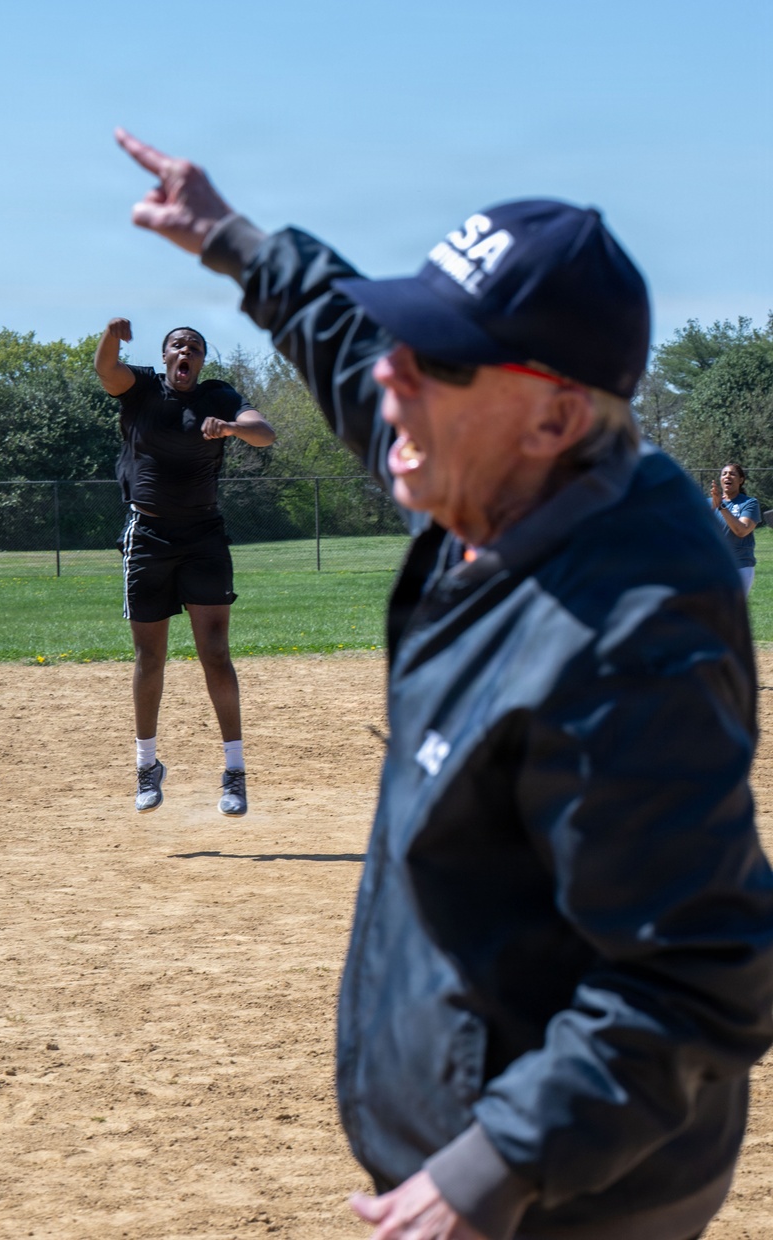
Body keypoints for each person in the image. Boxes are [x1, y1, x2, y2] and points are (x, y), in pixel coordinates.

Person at [111, 130, 773, 1240]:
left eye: (438, 360)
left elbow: (702, 971)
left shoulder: (627, 631)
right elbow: (344, 338)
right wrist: (231, 240)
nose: (391, 376)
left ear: (555, 414)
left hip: (569, 1199)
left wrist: (495, 1168)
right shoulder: (499, 469)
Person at [94, 316, 275, 816]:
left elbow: (266, 433)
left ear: (200, 361)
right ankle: (146, 766)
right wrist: (111, 335)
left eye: (193, 348)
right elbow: (106, 370)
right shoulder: (142, 388)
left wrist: (233, 428)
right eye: (177, 346)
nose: (185, 353)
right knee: (149, 657)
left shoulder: (218, 396)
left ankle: (235, 773)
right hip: (148, 535)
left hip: (203, 536)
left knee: (215, 652)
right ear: (165, 354)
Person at [711, 462, 761, 594]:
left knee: (729, 612)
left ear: (741, 480)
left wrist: (721, 506)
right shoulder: (708, 503)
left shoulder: (749, 503)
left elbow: (742, 530)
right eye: (724, 474)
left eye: (732, 474)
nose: (727, 476)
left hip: (740, 568)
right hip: (712, 568)